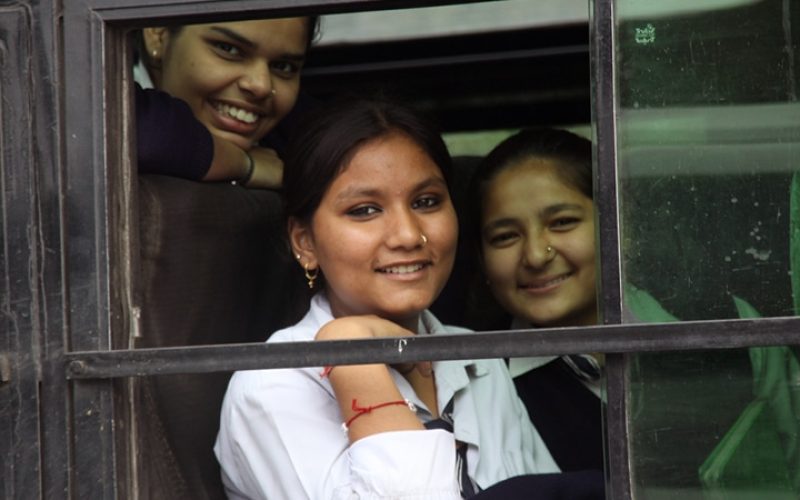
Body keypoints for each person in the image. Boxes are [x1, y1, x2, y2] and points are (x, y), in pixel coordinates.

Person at [213, 97, 591, 500]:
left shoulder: (477, 359)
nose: (409, 235)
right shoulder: (272, 388)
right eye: (364, 210)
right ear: (305, 242)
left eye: (426, 202)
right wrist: (353, 357)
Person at [467, 128, 605, 473]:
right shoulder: (476, 383)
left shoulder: (719, 329)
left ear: (619, 224)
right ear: (481, 260)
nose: (535, 255)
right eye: (505, 236)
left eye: (562, 222)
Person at [135, 16, 318, 188]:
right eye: (228, 49)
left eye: (283, 67)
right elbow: (126, 132)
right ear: (157, 34)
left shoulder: (299, 136)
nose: (261, 86)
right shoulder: (112, 90)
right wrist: (245, 165)